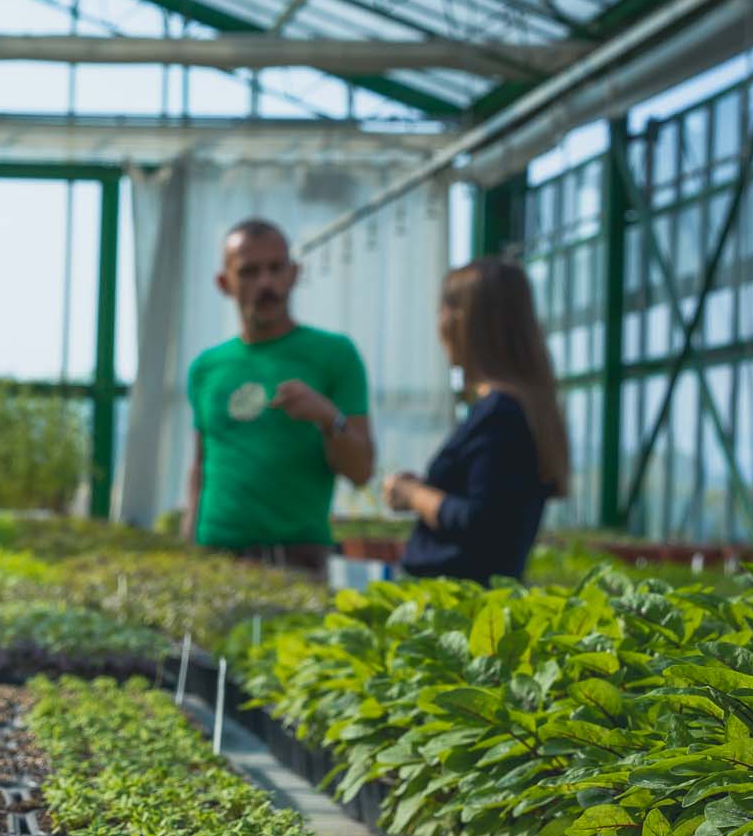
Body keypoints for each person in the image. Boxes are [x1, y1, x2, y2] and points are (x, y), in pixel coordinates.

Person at [183, 218, 374, 576]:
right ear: (224, 283)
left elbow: (361, 471)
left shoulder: (334, 355)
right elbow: (201, 465)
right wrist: (189, 552)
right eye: (250, 272)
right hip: (216, 558)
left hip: (297, 560)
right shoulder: (206, 368)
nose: (266, 283)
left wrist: (328, 416)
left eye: (276, 268)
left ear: (294, 274)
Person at [383, 258, 569, 584]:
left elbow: (481, 521)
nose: (438, 324)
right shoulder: (522, 407)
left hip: (458, 604)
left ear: (461, 320)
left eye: (443, 310)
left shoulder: (501, 413)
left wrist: (411, 494)